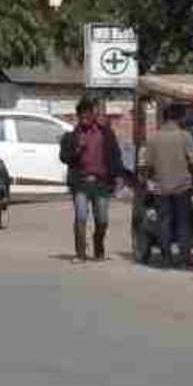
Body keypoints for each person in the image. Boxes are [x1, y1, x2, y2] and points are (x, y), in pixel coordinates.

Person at [59, 96, 127, 262]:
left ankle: (98, 247)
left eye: (88, 115)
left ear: (93, 115)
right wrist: (77, 149)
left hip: (101, 182)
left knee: (102, 219)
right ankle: (80, 253)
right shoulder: (71, 136)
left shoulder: (106, 134)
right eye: (81, 116)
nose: (85, 119)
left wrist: (118, 177)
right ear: (78, 116)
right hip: (81, 182)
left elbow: (115, 156)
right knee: (81, 217)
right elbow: (64, 157)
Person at [145, 104, 193, 269]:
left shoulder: (153, 138)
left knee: (164, 221)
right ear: (180, 117)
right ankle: (184, 259)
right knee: (183, 222)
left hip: (161, 186)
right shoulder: (185, 136)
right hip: (182, 186)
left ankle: (166, 258)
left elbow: (148, 164)